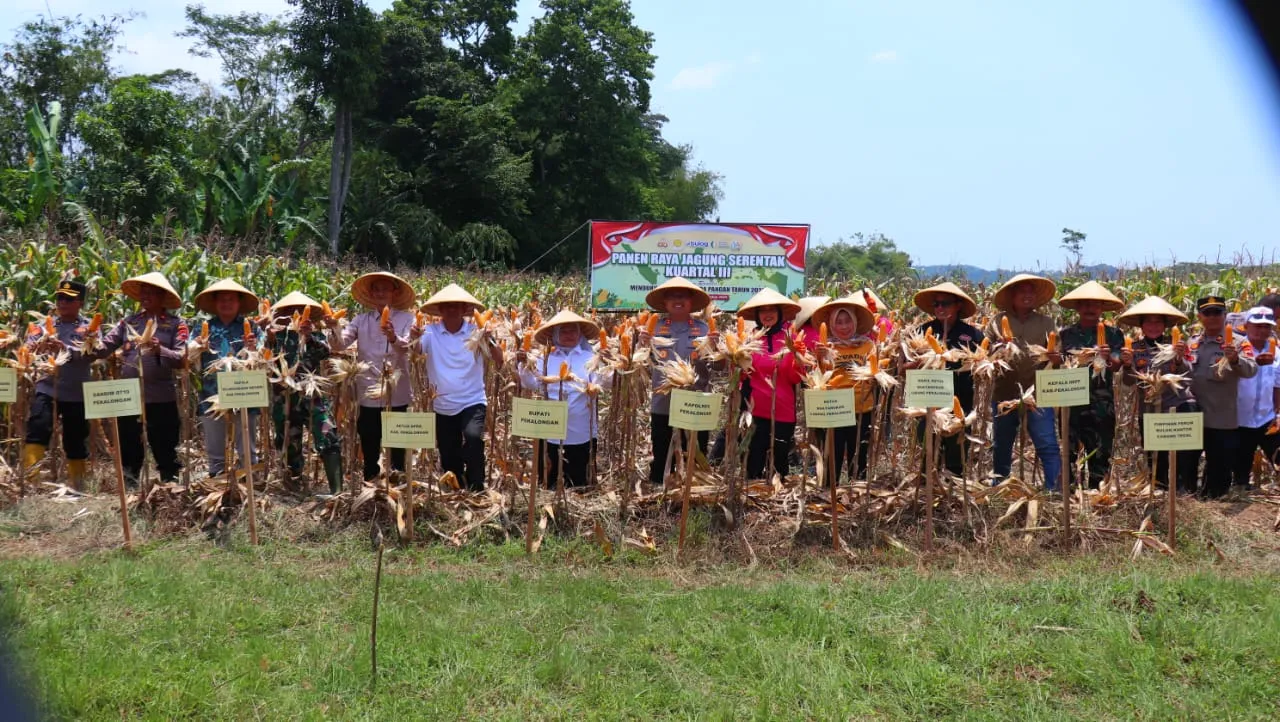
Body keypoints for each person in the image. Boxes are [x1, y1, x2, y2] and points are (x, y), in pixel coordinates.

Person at [94, 272, 189, 486]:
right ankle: (129, 485)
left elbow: (182, 359)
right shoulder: (128, 322)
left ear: (163, 296)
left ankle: (170, 485)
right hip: (129, 396)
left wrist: (159, 349)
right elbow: (104, 349)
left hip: (161, 396)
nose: (145, 296)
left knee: (165, 445)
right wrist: (89, 341)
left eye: (151, 292)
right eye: (143, 292)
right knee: (129, 445)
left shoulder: (176, 324)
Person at [412, 283, 503, 491]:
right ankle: (455, 486)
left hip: (472, 399)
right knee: (448, 451)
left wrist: (489, 340)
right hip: (442, 401)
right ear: (440, 310)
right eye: (447, 306)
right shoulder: (429, 333)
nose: (452, 309)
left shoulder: (477, 332)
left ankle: (477, 485)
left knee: (473, 438)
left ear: (464, 309)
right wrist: (413, 337)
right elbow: (415, 354)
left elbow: (499, 361)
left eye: (456, 306)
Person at [330, 272, 416, 481]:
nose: (381, 293)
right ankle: (370, 479)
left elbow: (407, 348)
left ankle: (398, 481)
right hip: (368, 388)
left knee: (397, 441)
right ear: (371, 293)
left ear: (394, 292)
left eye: (385, 289)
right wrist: (333, 326)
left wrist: (393, 337)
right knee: (369, 437)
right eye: (376, 289)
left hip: (397, 390)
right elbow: (339, 344)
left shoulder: (407, 319)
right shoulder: (361, 320)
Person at [983, 274, 1062, 489]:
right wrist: (996, 349)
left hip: (1039, 394)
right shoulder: (998, 321)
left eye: (1031, 291)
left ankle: (1053, 488)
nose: (1028, 295)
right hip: (1004, 392)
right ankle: (1000, 484)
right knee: (1002, 444)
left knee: (1046, 442)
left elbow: (1059, 358)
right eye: (1022, 291)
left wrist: (1056, 358)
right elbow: (984, 352)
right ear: (1012, 295)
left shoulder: (1046, 323)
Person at [639, 276, 717, 486]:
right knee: (662, 450)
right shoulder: (652, 329)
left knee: (695, 450)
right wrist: (642, 346)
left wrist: (717, 349)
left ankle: (694, 492)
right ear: (665, 303)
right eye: (672, 297)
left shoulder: (704, 330)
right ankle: (658, 491)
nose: (678, 300)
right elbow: (640, 364)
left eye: (683, 296)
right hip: (663, 401)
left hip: (696, 401)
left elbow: (719, 368)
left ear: (691, 302)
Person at [1117, 295, 1199, 492]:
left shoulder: (1178, 345)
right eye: (1148, 322)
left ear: (1165, 325)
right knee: (1155, 456)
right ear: (1141, 325)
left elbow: (1189, 374)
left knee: (1183, 453)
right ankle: (1159, 489)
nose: (1153, 326)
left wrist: (1179, 358)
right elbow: (1128, 383)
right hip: (1149, 410)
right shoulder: (1133, 349)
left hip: (1176, 406)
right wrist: (1127, 365)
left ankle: (1185, 490)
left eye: (1158, 322)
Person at [267, 291, 344, 495]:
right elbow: (261, 355)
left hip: (312, 394)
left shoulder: (316, 336)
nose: (298, 314)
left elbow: (327, 351)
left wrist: (308, 337)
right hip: (284, 396)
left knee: (328, 433)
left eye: (302, 311)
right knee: (288, 440)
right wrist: (268, 336)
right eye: (293, 311)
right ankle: (294, 485)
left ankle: (337, 491)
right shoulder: (276, 336)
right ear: (283, 313)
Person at [517, 310, 602, 489]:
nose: (569, 335)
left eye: (573, 330)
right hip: (550, 429)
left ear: (580, 334)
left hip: (581, 430)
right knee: (550, 481)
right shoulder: (545, 359)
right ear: (555, 334)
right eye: (563, 331)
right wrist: (524, 365)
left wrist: (598, 383)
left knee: (578, 484)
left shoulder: (590, 358)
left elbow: (602, 382)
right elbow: (531, 383)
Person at [22, 278, 94, 488]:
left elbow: (93, 354)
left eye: (69, 299)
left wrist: (64, 349)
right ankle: (31, 481)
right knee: (38, 427)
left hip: (77, 392)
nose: (62, 302)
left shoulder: (89, 328)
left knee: (75, 438)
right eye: (60, 298)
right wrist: (39, 348)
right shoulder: (43, 326)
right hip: (47, 388)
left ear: (80, 303)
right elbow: (27, 350)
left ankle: (77, 484)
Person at [1055, 281, 1126, 489]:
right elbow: (1058, 362)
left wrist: (1108, 358)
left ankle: (1097, 495)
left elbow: (1116, 365)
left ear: (1101, 308)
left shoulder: (1114, 335)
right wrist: (1055, 358)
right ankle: (1069, 497)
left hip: (1101, 404)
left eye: (1094, 305)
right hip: (1071, 403)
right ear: (1077, 308)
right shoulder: (1065, 335)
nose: (1089, 309)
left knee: (1100, 453)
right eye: (1084, 304)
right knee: (1069, 452)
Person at [906, 282, 981, 477]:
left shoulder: (972, 335)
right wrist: (917, 363)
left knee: (957, 457)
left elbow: (985, 364)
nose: (940, 308)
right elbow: (902, 368)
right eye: (936, 304)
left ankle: (953, 497)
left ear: (958, 305)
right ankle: (926, 497)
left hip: (960, 403)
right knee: (928, 455)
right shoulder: (922, 332)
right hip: (929, 403)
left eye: (945, 303)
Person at [1186, 295, 1257, 498]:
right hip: (1193, 416)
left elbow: (1251, 370)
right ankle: (1190, 500)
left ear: (1225, 315)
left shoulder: (1239, 342)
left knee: (1219, 468)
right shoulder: (1191, 343)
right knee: (1188, 463)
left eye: (1217, 312)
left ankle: (1214, 503)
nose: (1212, 317)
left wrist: (1235, 359)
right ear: (1200, 316)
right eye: (1207, 313)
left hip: (1221, 417)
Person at [193, 279, 262, 478]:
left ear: (239, 303)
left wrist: (253, 348)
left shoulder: (252, 328)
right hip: (211, 392)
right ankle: (217, 478)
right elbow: (189, 352)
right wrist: (198, 345)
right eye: (222, 300)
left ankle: (249, 478)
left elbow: (263, 353)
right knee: (215, 445)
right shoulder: (203, 327)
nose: (226, 303)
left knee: (246, 442)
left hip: (244, 389)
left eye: (231, 299)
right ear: (215, 304)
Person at [736, 288, 803, 480]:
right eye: (762, 311)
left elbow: (796, 378)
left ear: (780, 313)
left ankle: (778, 503)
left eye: (772, 310)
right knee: (752, 462)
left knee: (779, 463)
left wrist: (797, 360)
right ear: (757, 315)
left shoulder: (790, 339)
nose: (767, 314)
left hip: (783, 410)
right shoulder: (748, 339)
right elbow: (741, 376)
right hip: (754, 410)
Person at [811, 295, 877, 481]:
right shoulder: (826, 347)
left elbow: (875, 372)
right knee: (833, 455)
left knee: (859, 456)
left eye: (848, 321)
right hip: (835, 408)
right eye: (839, 322)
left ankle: (857, 495)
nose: (844, 326)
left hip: (862, 408)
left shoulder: (867, 345)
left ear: (855, 322)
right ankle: (828, 494)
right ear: (832, 325)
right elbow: (818, 377)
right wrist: (819, 359)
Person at [1233, 306, 1280, 489]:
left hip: (1267, 417)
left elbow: (1277, 385)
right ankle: (1240, 489)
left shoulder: (1276, 352)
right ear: (1246, 326)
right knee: (1240, 468)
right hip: (1240, 419)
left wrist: (1277, 412)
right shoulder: (1236, 350)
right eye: (1257, 325)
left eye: (1266, 326)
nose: (1262, 330)